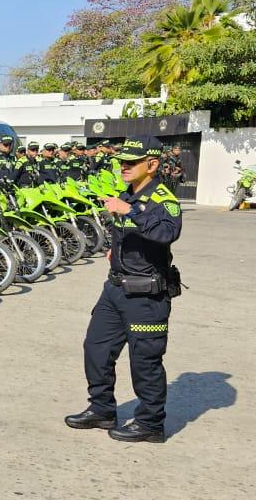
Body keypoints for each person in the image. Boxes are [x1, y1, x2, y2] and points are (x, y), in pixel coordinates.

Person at [66, 135, 181, 443]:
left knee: (145, 361)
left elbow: (168, 232)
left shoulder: (163, 199)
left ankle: (150, 424)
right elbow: (124, 232)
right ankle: (101, 409)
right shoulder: (126, 194)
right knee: (96, 348)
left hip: (145, 295)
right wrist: (114, 249)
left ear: (151, 164)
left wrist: (130, 212)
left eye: (131, 162)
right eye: (122, 162)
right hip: (115, 288)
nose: (124, 167)